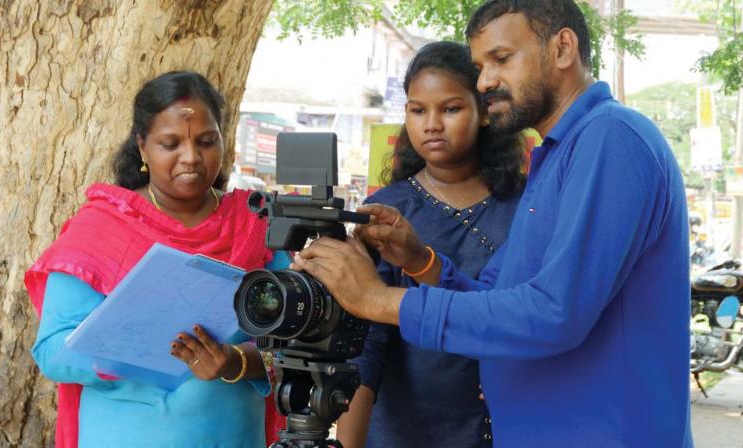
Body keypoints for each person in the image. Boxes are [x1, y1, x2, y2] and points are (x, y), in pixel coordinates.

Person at [293, 1, 692, 446]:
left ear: (562, 48)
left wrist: (377, 299)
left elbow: (554, 314)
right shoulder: (558, 155)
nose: (485, 82)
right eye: (481, 66)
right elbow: (500, 301)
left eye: (501, 59)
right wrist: (420, 261)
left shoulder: (610, 137)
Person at [26, 71, 284, 447]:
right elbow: (50, 351)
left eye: (207, 142)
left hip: (232, 435)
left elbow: (296, 340)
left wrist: (234, 361)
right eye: (171, 143)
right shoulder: (100, 228)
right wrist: (125, 346)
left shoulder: (254, 225)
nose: (191, 158)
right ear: (143, 147)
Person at [335, 41, 524, 448]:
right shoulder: (386, 211)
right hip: (405, 427)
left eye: (450, 109)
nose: (432, 124)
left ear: (484, 113)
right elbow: (368, 342)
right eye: (418, 110)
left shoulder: (527, 205)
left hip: (507, 421)